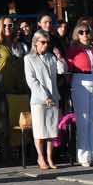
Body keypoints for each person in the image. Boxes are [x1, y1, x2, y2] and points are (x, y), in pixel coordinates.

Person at [62, 19, 93, 167]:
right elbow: (68, 69)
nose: (85, 35)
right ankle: (83, 155)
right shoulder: (73, 50)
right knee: (83, 120)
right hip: (80, 81)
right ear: (77, 34)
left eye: (87, 32)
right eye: (81, 32)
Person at [0, 17, 27, 161]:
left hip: (18, 89)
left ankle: (19, 154)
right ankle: (5, 155)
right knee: (2, 123)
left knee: (17, 122)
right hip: (0, 89)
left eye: (10, 25)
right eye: (5, 25)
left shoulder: (19, 45)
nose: (8, 27)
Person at [25, 31, 64, 170]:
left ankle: (50, 157)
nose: (45, 45)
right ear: (35, 43)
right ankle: (40, 157)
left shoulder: (51, 57)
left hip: (53, 97)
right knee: (40, 131)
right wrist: (44, 95)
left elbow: (62, 70)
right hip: (39, 99)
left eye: (47, 42)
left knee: (52, 131)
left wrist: (59, 58)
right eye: (42, 42)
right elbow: (32, 80)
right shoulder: (29, 58)